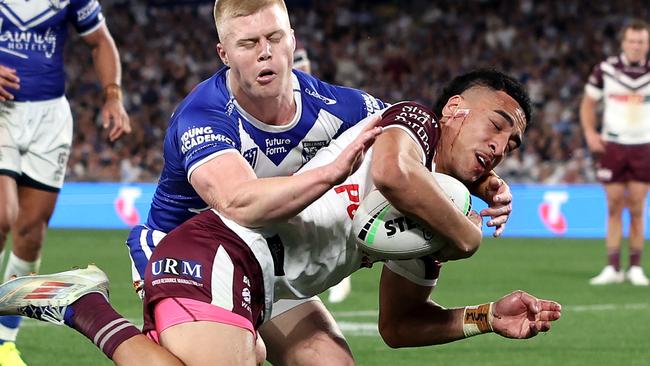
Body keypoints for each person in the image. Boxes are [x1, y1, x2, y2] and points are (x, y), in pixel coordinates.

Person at [0, 70, 561, 366]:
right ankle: (83, 306)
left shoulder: (446, 207)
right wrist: (467, 238)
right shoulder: (412, 123)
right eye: (497, 124)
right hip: (223, 248)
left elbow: (398, 325)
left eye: (513, 142)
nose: (502, 145)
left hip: (277, 285)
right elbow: (392, 174)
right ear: (456, 108)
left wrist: (485, 316)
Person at [121, 1, 514, 364]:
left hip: (273, 265)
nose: (265, 52)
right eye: (248, 43)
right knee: (242, 354)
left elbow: (414, 141)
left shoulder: (340, 107)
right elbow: (239, 203)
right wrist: (330, 173)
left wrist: (481, 180)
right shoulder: (202, 115)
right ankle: (89, 310)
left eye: (274, 38)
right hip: (182, 249)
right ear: (224, 54)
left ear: (292, 39)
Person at [0, 0, 131, 364]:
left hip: (50, 117)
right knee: (2, 214)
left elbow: (100, 41)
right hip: (1, 113)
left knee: (31, 231)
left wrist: (112, 96)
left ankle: (3, 341)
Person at [580, 19, 650, 286]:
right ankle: (612, 267)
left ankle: (634, 267)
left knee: (637, 208)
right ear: (624, 43)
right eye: (632, 41)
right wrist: (589, 132)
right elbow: (588, 104)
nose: (636, 46)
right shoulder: (605, 70)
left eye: (641, 41)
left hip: (643, 145)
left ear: (647, 44)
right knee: (613, 206)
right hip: (613, 145)